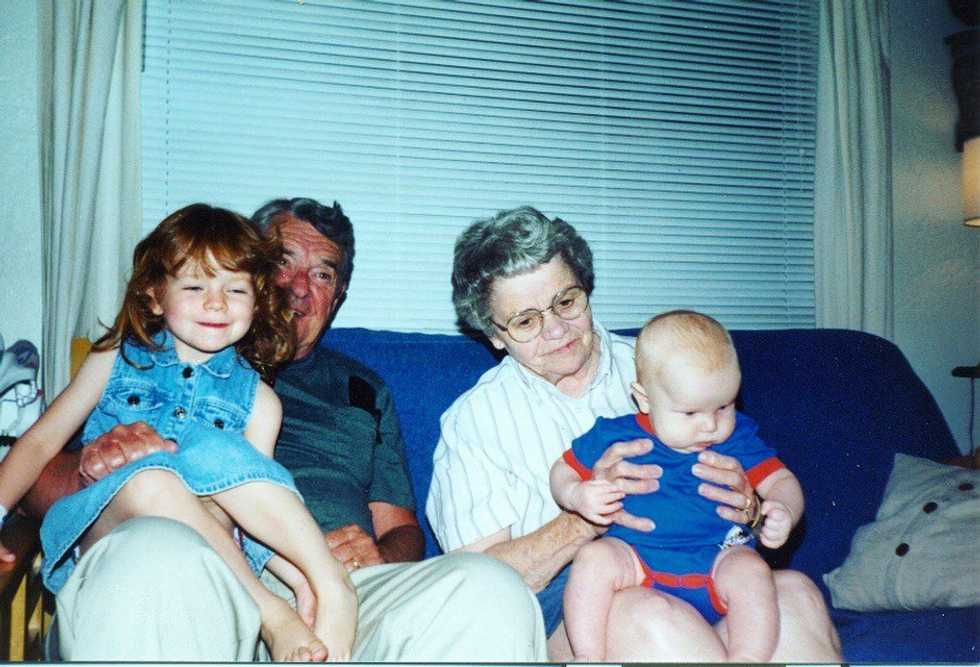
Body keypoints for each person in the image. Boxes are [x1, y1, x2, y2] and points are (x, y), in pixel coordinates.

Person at [5, 197, 546, 662]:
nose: (299, 289)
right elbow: (37, 464)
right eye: (284, 263)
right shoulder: (129, 363)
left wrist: (367, 559)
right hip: (179, 562)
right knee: (159, 548)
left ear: (337, 296)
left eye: (323, 274)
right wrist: (93, 463)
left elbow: (400, 528)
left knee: (491, 589)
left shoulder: (357, 388)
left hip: (324, 577)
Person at [426, 205, 842, 661]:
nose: (557, 329)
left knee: (796, 597)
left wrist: (755, 509)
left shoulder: (667, 363)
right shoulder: (475, 421)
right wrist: (585, 519)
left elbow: (758, 480)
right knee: (651, 619)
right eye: (526, 321)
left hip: (707, 567)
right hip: (578, 603)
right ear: (494, 334)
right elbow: (477, 581)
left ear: (586, 288)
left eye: (566, 301)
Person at [0, 204, 356, 662]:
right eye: (194, 286)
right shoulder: (114, 361)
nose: (216, 303)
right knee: (152, 476)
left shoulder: (262, 402)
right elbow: (39, 442)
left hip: (212, 554)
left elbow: (257, 519)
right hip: (110, 531)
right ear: (154, 295)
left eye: (235, 289)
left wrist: (298, 577)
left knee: (218, 456)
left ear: (259, 300)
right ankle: (269, 612)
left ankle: (329, 582)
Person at [551, 309, 803, 661]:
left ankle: (747, 658)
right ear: (644, 399)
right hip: (637, 562)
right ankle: (589, 656)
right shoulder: (615, 434)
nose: (710, 425)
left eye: (724, 406)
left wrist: (783, 510)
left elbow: (782, 480)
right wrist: (576, 494)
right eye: (690, 413)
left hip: (717, 561)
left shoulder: (738, 438)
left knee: (752, 570)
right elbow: (562, 470)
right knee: (594, 559)